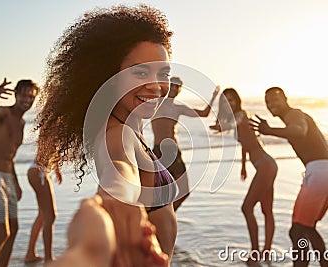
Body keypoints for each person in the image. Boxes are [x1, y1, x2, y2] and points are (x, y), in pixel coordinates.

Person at [35, 5, 178, 266]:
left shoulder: (131, 125)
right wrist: (110, 202)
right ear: (108, 76)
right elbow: (120, 172)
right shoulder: (117, 134)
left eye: (163, 73)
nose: (156, 85)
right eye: (140, 72)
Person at [251, 87, 328, 267]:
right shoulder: (293, 117)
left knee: (297, 231)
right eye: (268, 102)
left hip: (320, 172)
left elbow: (299, 131)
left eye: (275, 100)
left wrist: (269, 131)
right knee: (307, 227)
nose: (271, 105)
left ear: (285, 99)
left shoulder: (294, 114)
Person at [0, 78, 39, 267]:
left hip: (7, 179)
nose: (27, 100)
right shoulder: (4, 113)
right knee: (0, 233)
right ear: (16, 95)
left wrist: (16, 184)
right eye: (24, 95)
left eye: (31, 97)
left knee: (13, 228)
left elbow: (10, 157)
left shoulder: (20, 123)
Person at [210, 88, 277, 264]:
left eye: (232, 100)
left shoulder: (241, 115)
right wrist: (243, 165)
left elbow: (234, 123)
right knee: (266, 211)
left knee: (247, 208)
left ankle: (256, 253)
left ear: (237, 101)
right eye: (226, 101)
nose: (229, 103)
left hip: (265, 166)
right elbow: (245, 143)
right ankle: (265, 252)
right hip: (265, 165)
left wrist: (223, 126)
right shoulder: (235, 119)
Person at [151, 76, 219, 210]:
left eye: (178, 86)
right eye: (173, 85)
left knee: (184, 191)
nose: (175, 88)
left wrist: (213, 97)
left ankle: (169, 214)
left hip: (174, 151)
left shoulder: (178, 108)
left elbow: (204, 113)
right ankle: (156, 219)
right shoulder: (154, 104)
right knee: (156, 194)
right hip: (158, 152)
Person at [24, 159, 62, 263]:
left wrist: (57, 170)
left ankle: (30, 254)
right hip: (39, 171)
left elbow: (54, 150)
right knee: (50, 216)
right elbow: (49, 147)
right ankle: (48, 259)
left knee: (43, 215)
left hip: (38, 170)